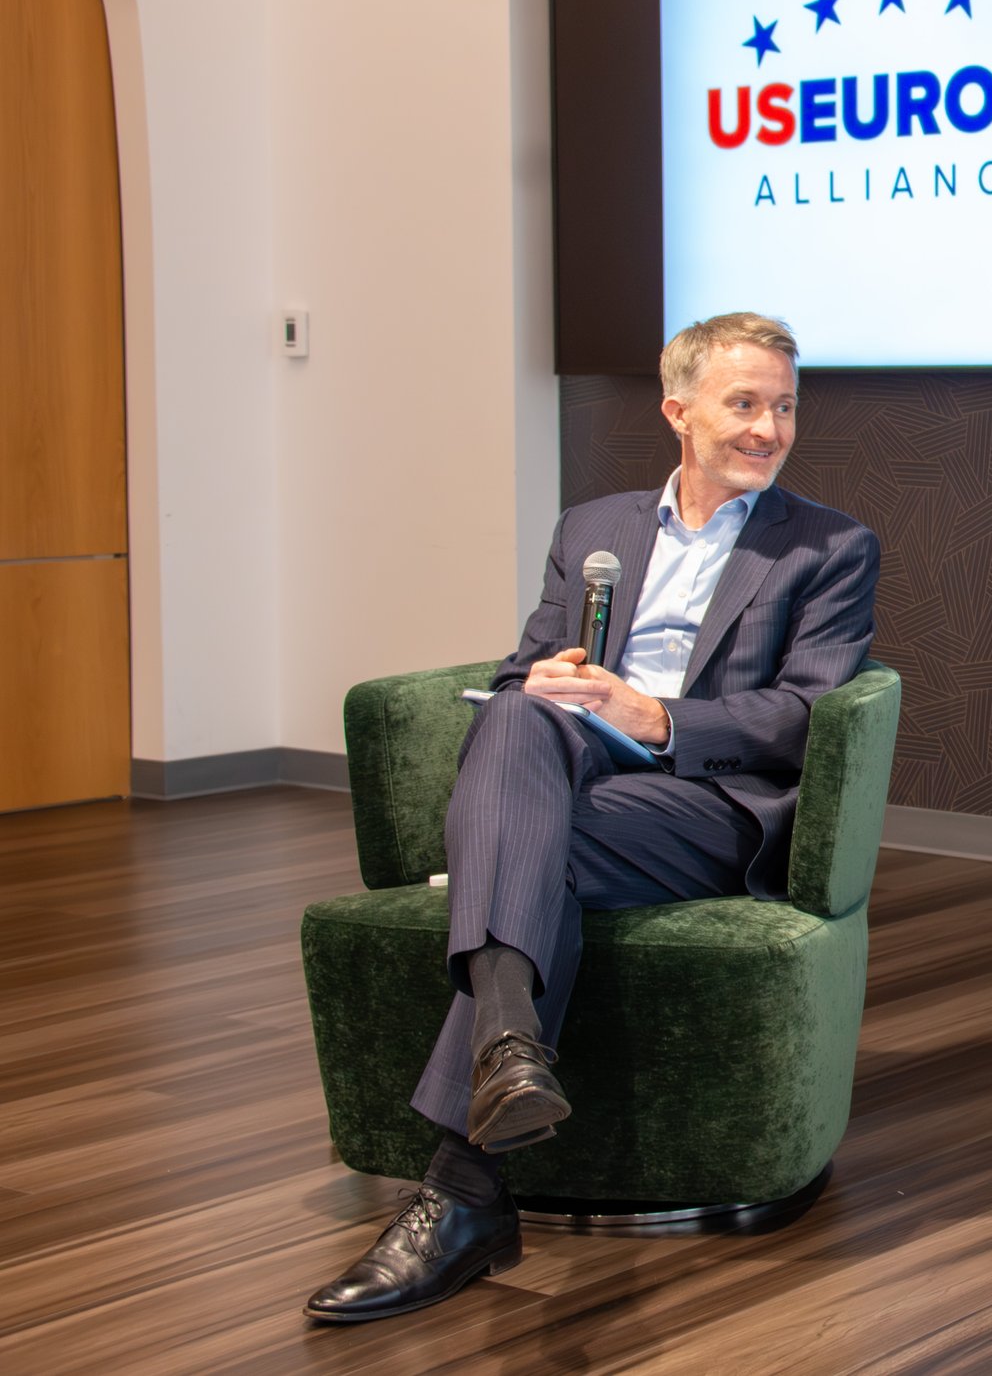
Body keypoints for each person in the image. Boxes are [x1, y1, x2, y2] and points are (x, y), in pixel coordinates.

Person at [305, 312, 879, 1324]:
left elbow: (807, 715)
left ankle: (469, 1161)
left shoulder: (828, 546)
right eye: (744, 404)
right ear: (678, 411)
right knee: (521, 717)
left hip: (708, 802)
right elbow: (516, 670)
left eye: (785, 407)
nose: (769, 429)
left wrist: (654, 715)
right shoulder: (592, 528)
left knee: (517, 839)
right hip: (572, 776)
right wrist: (549, 682)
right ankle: (492, 1105)